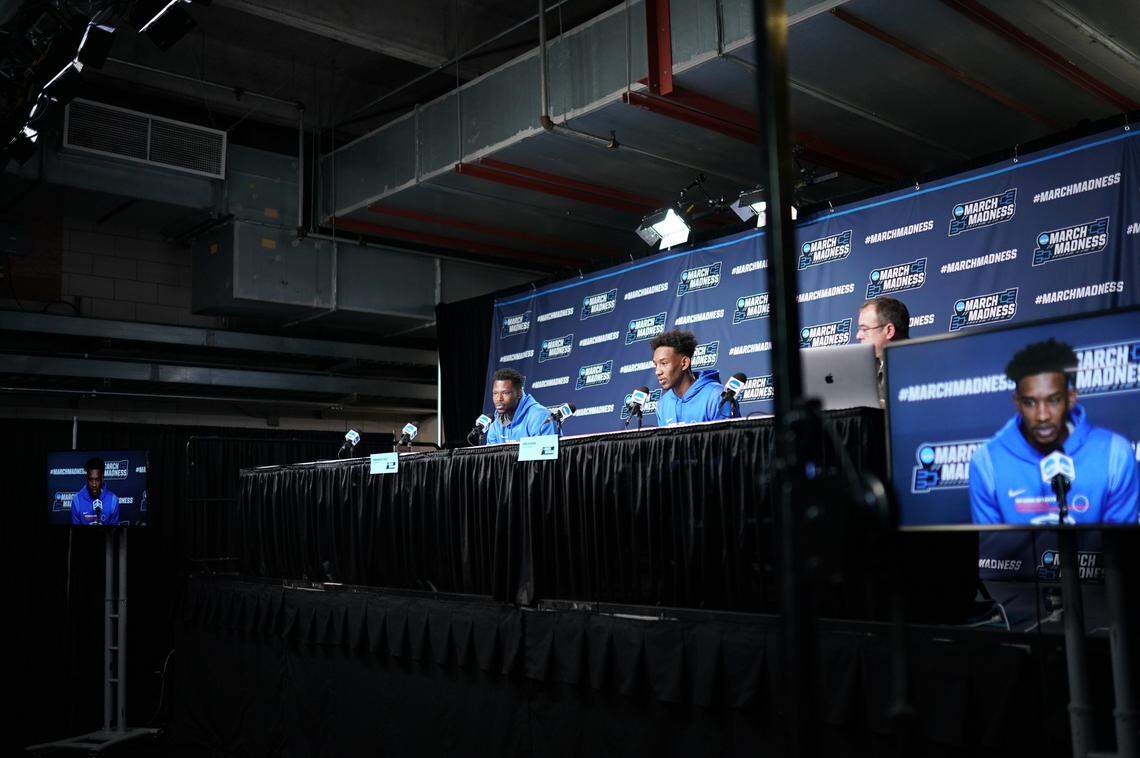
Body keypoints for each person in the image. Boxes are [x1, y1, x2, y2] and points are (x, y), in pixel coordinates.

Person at [969, 339, 1138, 525]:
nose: (1042, 416)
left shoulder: (1115, 454)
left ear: (1071, 398)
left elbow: (1120, 549)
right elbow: (992, 551)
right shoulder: (987, 462)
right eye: (1030, 402)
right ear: (1017, 402)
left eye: (1054, 400)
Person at [651, 329, 736, 425]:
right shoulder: (663, 404)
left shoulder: (716, 395)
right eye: (656, 365)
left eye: (664, 363)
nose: (657, 371)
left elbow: (729, 437)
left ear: (684, 363)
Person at [485, 368, 556, 443]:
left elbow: (544, 453)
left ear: (519, 393)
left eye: (505, 393)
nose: (499, 398)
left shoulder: (540, 416)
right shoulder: (496, 421)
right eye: (495, 393)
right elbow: (491, 454)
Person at [856, 296, 909, 385]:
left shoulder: (916, 368)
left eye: (864, 329)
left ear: (889, 331)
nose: (858, 336)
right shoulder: (865, 369)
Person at [71, 457, 121, 526]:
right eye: (91, 479)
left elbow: (115, 533)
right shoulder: (77, 500)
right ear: (86, 478)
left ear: (102, 478)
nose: (94, 484)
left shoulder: (113, 500)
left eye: (97, 479)